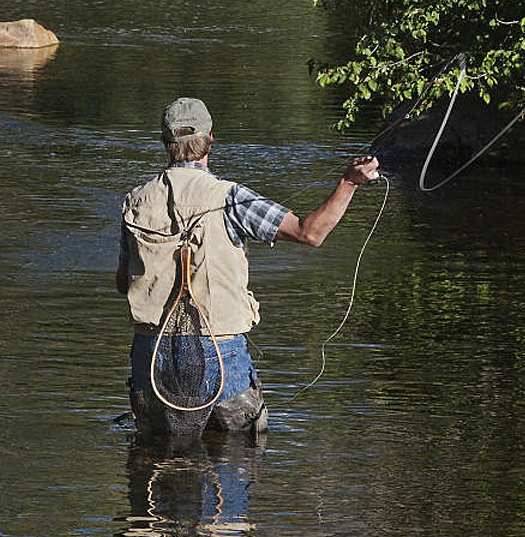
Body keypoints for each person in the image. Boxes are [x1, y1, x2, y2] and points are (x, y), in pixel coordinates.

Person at [117, 95, 379, 440]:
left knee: (154, 461)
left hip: (151, 352)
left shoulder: (135, 199)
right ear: (211, 139)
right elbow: (310, 232)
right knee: (236, 459)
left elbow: (124, 284)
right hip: (219, 349)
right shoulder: (231, 198)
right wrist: (349, 182)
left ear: (165, 142)